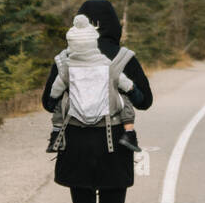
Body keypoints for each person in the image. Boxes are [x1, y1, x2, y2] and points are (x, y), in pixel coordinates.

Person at [41, 0, 152, 203]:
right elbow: (146, 101)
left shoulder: (65, 58)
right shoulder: (124, 57)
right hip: (115, 142)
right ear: (113, 24)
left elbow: (48, 103)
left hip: (75, 144)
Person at [45, 14, 142, 154]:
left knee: (62, 100)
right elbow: (124, 82)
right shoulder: (107, 66)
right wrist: (133, 90)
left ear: (71, 43)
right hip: (106, 112)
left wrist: (52, 100)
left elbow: (57, 88)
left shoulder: (67, 68)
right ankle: (129, 133)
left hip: (76, 113)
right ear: (94, 42)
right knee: (124, 98)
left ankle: (56, 134)